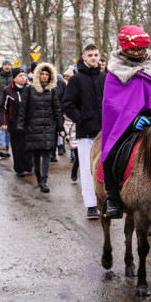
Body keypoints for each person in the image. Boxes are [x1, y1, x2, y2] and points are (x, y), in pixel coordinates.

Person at [99, 25, 151, 219]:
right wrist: (134, 119)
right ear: (124, 48)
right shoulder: (114, 73)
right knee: (111, 151)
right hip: (127, 124)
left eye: (140, 49)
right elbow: (113, 106)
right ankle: (112, 197)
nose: (137, 53)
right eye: (133, 49)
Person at [63, 45, 104, 219]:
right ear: (84, 57)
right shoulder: (76, 79)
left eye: (96, 55)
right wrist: (80, 119)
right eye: (90, 55)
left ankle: (106, 201)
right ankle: (91, 205)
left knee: (106, 168)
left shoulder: (105, 77)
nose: (93, 58)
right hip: (86, 132)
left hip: (105, 132)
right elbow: (67, 103)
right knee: (88, 170)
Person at [17, 62, 64, 193]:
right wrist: (21, 125)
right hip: (33, 126)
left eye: (47, 74)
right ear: (38, 75)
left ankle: (44, 180)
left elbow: (57, 110)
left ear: (50, 76)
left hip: (48, 127)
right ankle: (38, 176)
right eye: (42, 74)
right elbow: (23, 109)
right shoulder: (29, 89)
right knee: (36, 155)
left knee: (47, 154)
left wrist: (60, 127)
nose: (44, 76)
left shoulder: (52, 90)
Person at [0, 70, 33, 177]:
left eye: (24, 75)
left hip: (28, 123)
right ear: (14, 78)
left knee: (28, 145)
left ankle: (28, 166)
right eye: (20, 76)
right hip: (14, 123)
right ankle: (19, 169)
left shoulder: (30, 89)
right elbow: (2, 108)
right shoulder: (8, 90)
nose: (23, 77)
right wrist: (3, 121)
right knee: (17, 147)